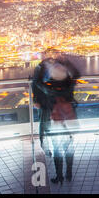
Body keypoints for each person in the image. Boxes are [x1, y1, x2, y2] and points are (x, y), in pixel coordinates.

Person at [32, 48, 81, 184]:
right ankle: (69, 173)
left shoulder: (49, 88)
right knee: (69, 147)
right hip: (69, 120)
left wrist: (43, 65)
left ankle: (59, 176)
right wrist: (65, 62)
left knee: (57, 149)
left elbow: (37, 82)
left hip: (55, 121)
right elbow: (76, 74)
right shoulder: (69, 85)